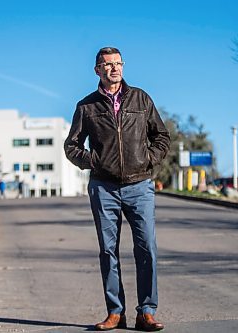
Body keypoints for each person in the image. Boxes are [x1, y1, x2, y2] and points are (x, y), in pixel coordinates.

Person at [64, 47, 170, 331]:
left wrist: (149, 159)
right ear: (97, 70)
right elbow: (71, 146)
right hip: (104, 188)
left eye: (118, 63)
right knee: (108, 251)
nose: (114, 68)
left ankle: (146, 311)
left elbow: (161, 136)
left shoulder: (141, 99)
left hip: (140, 185)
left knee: (147, 247)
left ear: (123, 66)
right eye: (107, 64)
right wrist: (93, 162)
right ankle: (115, 312)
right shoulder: (86, 106)